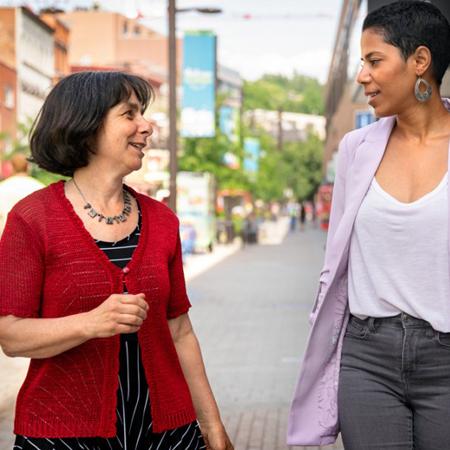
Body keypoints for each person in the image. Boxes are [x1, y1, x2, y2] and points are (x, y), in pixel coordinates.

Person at [0, 71, 233, 450]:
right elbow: (9, 335)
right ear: (86, 126)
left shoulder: (162, 221)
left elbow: (180, 330)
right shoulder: (32, 219)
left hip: (168, 434)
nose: (146, 127)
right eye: (130, 114)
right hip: (62, 435)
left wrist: (212, 422)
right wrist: (91, 323)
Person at [288, 2, 450, 449]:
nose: (362, 76)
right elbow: (334, 262)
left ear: (420, 61)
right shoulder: (356, 149)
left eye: (375, 61)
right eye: (362, 62)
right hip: (367, 357)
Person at [0, 153, 44, 236]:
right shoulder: (40, 188)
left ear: (11, 167)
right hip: (35, 244)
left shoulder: (2, 188)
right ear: (28, 167)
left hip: (5, 242)